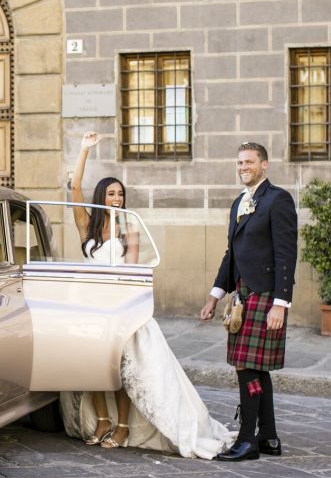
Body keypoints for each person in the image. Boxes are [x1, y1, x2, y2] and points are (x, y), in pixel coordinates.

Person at [60, 131, 235, 459]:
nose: (116, 199)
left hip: (120, 303)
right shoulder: (87, 225)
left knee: (123, 368)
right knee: (93, 368)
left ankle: (123, 426)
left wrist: (127, 304)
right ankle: (100, 421)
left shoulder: (130, 224)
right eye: (111, 194)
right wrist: (84, 150)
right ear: (101, 197)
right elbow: (74, 189)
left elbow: (133, 266)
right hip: (91, 304)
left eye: (120, 195)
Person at [200, 141, 297, 462]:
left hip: (266, 294)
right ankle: (268, 437)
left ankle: (247, 440)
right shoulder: (238, 203)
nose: (243, 167)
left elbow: (286, 253)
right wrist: (215, 295)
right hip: (242, 295)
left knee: (246, 366)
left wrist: (281, 303)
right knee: (257, 368)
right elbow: (232, 254)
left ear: (264, 165)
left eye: (250, 162)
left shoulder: (278, 199)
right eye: (240, 162)